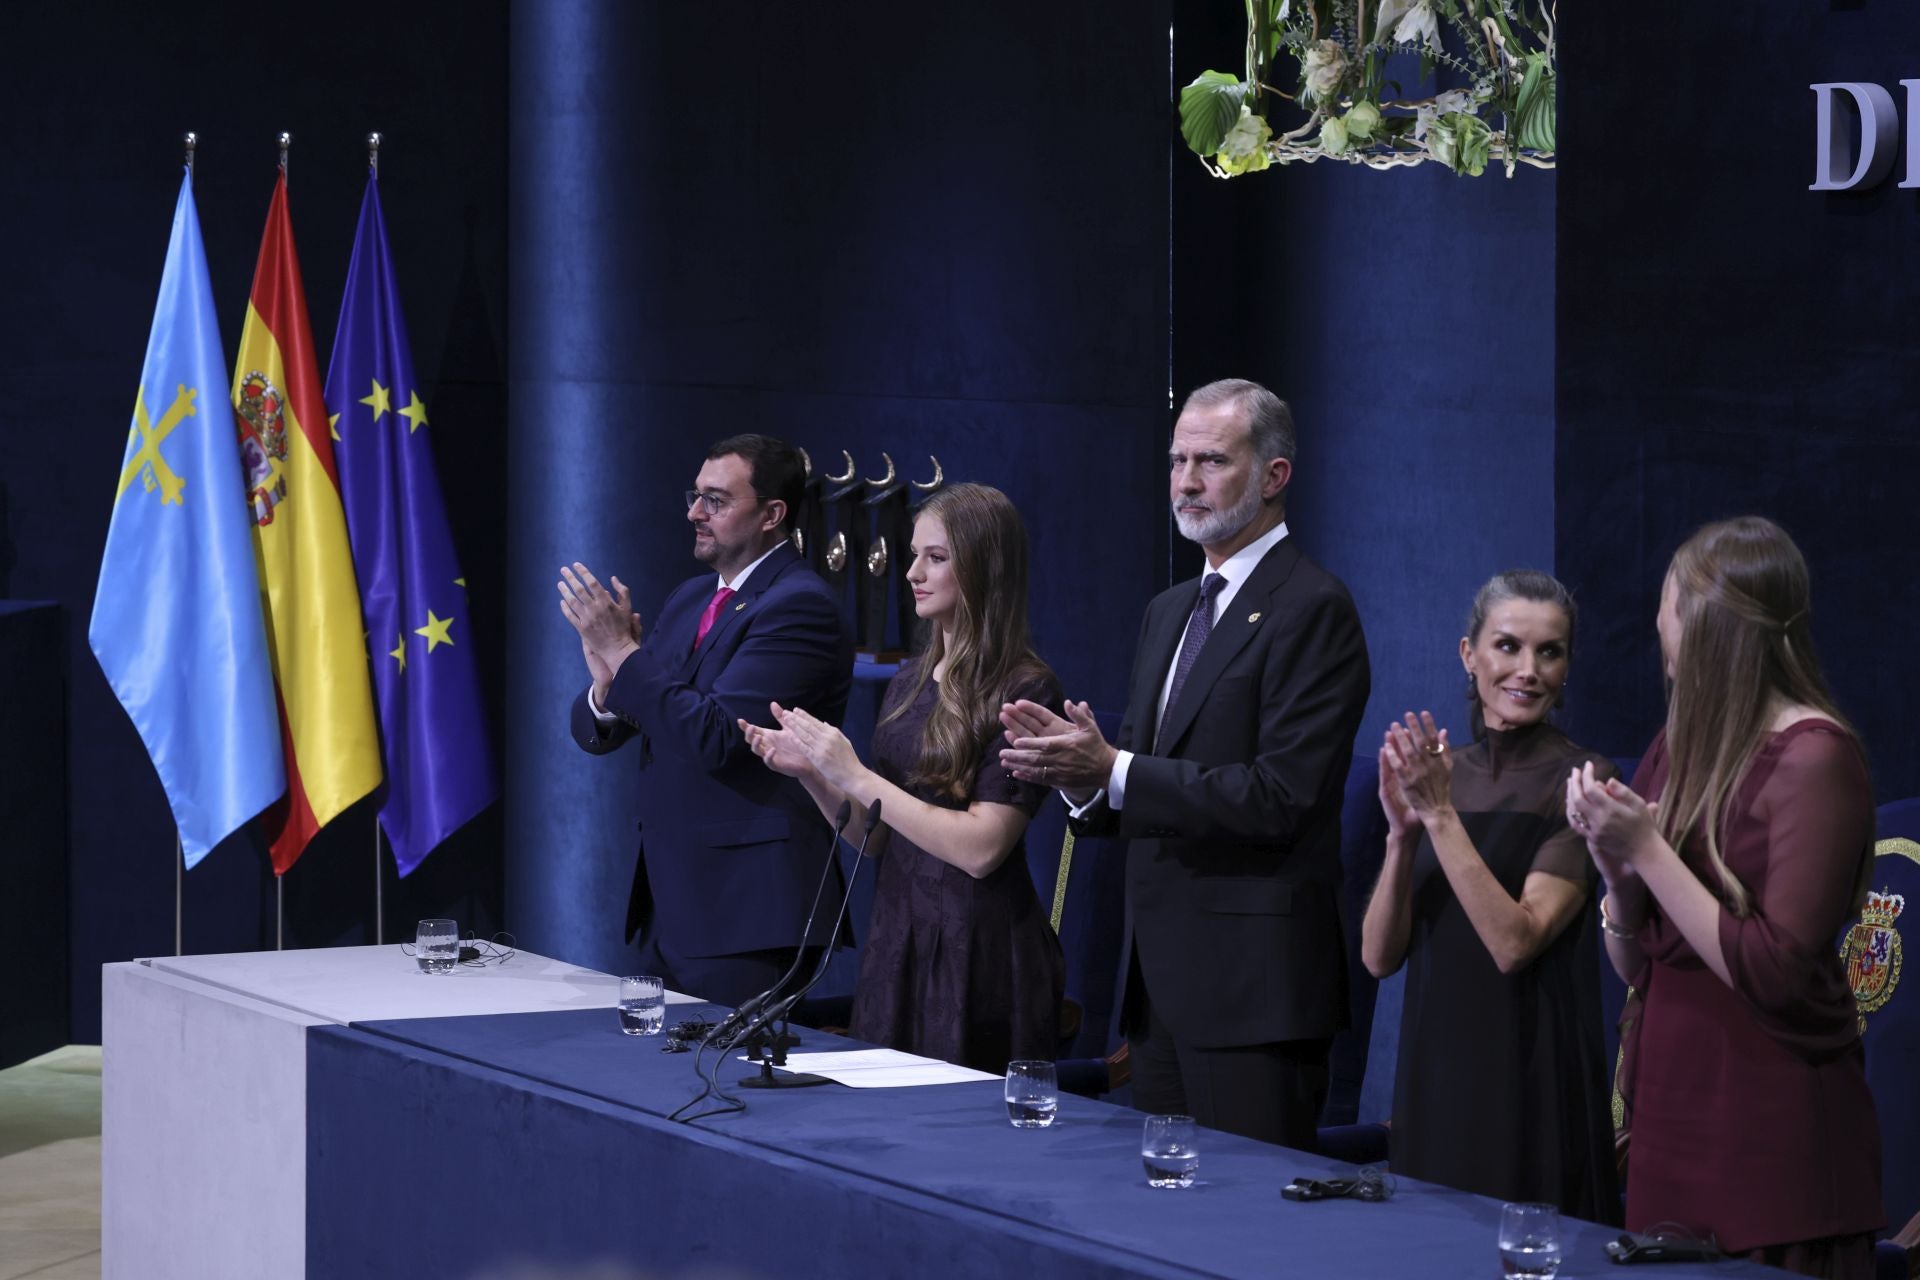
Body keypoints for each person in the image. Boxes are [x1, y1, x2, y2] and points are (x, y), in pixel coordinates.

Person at [998, 379, 1370, 1148]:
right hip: (1156, 993)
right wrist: (1080, 782)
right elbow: (1140, 779)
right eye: (1177, 461)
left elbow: (1282, 795)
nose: (1187, 482)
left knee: (1250, 1237)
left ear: (1275, 476)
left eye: (1212, 461)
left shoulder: (1313, 608)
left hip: (1253, 995)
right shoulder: (1168, 610)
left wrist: (1117, 768)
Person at [1568, 516, 1881, 1279]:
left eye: (1669, 613)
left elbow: (1775, 973)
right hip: (1674, 1115)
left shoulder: (1813, 758)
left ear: (1710, 631)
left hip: (1770, 1130)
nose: (1658, 633)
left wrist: (1646, 847)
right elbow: (1639, 965)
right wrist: (1616, 875)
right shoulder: (1678, 747)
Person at [738, 482, 1065, 1073]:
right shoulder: (910, 678)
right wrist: (816, 775)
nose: (912, 571)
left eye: (936, 557)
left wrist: (855, 774)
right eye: (915, 554)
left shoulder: (1026, 688)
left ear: (986, 567)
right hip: (899, 937)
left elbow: (982, 849)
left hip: (977, 946)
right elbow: (877, 837)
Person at [1359, 571, 1620, 1221]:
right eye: (1507, 646)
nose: (1528, 670)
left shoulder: (1582, 778)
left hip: (1531, 1081)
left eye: (1550, 652)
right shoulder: (1441, 775)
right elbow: (1377, 958)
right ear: (1468, 654)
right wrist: (1399, 837)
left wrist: (1440, 819)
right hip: (1435, 1079)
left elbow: (1515, 941)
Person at [559, 434, 853, 1008]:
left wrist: (624, 656)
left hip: (747, 910)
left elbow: (719, 737)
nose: (695, 512)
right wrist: (604, 687)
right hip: (672, 902)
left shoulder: (799, 606)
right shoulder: (692, 597)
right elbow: (626, 722)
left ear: (772, 515)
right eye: (695, 496)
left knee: (731, 1087)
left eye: (716, 500)